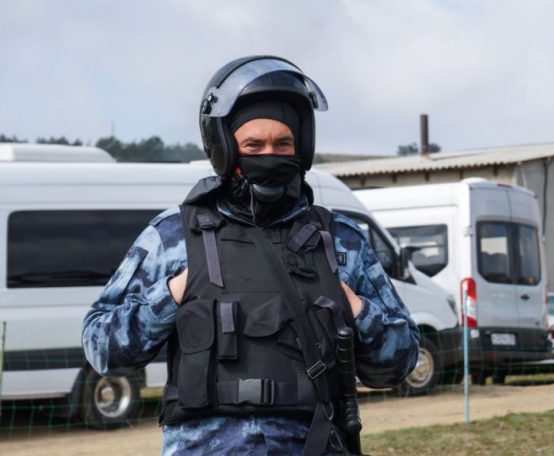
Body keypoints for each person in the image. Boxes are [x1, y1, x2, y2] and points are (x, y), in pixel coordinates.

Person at [82, 55, 420, 455]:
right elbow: (102, 348)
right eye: (253, 145)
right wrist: (172, 293)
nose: (269, 155)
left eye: (283, 144)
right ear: (226, 149)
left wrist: (356, 308)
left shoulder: (339, 240)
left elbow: (400, 363)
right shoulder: (173, 236)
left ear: (302, 147)